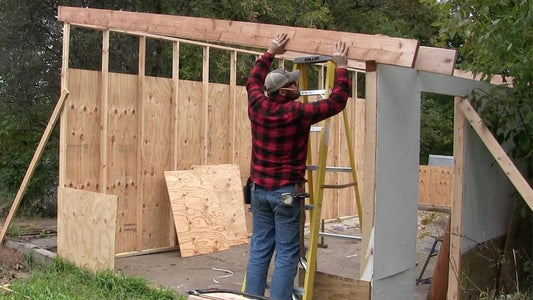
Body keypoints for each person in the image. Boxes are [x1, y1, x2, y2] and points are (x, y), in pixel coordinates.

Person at [244, 32, 351, 300]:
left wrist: (270, 52)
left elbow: (252, 81)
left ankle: (251, 298)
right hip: (284, 194)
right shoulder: (296, 113)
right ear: (283, 92)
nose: (297, 86)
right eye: (292, 84)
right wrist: (342, 66)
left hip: (259, 190)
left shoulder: (257, 105)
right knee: (287, 252)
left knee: (259, 249)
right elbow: (336, 102)